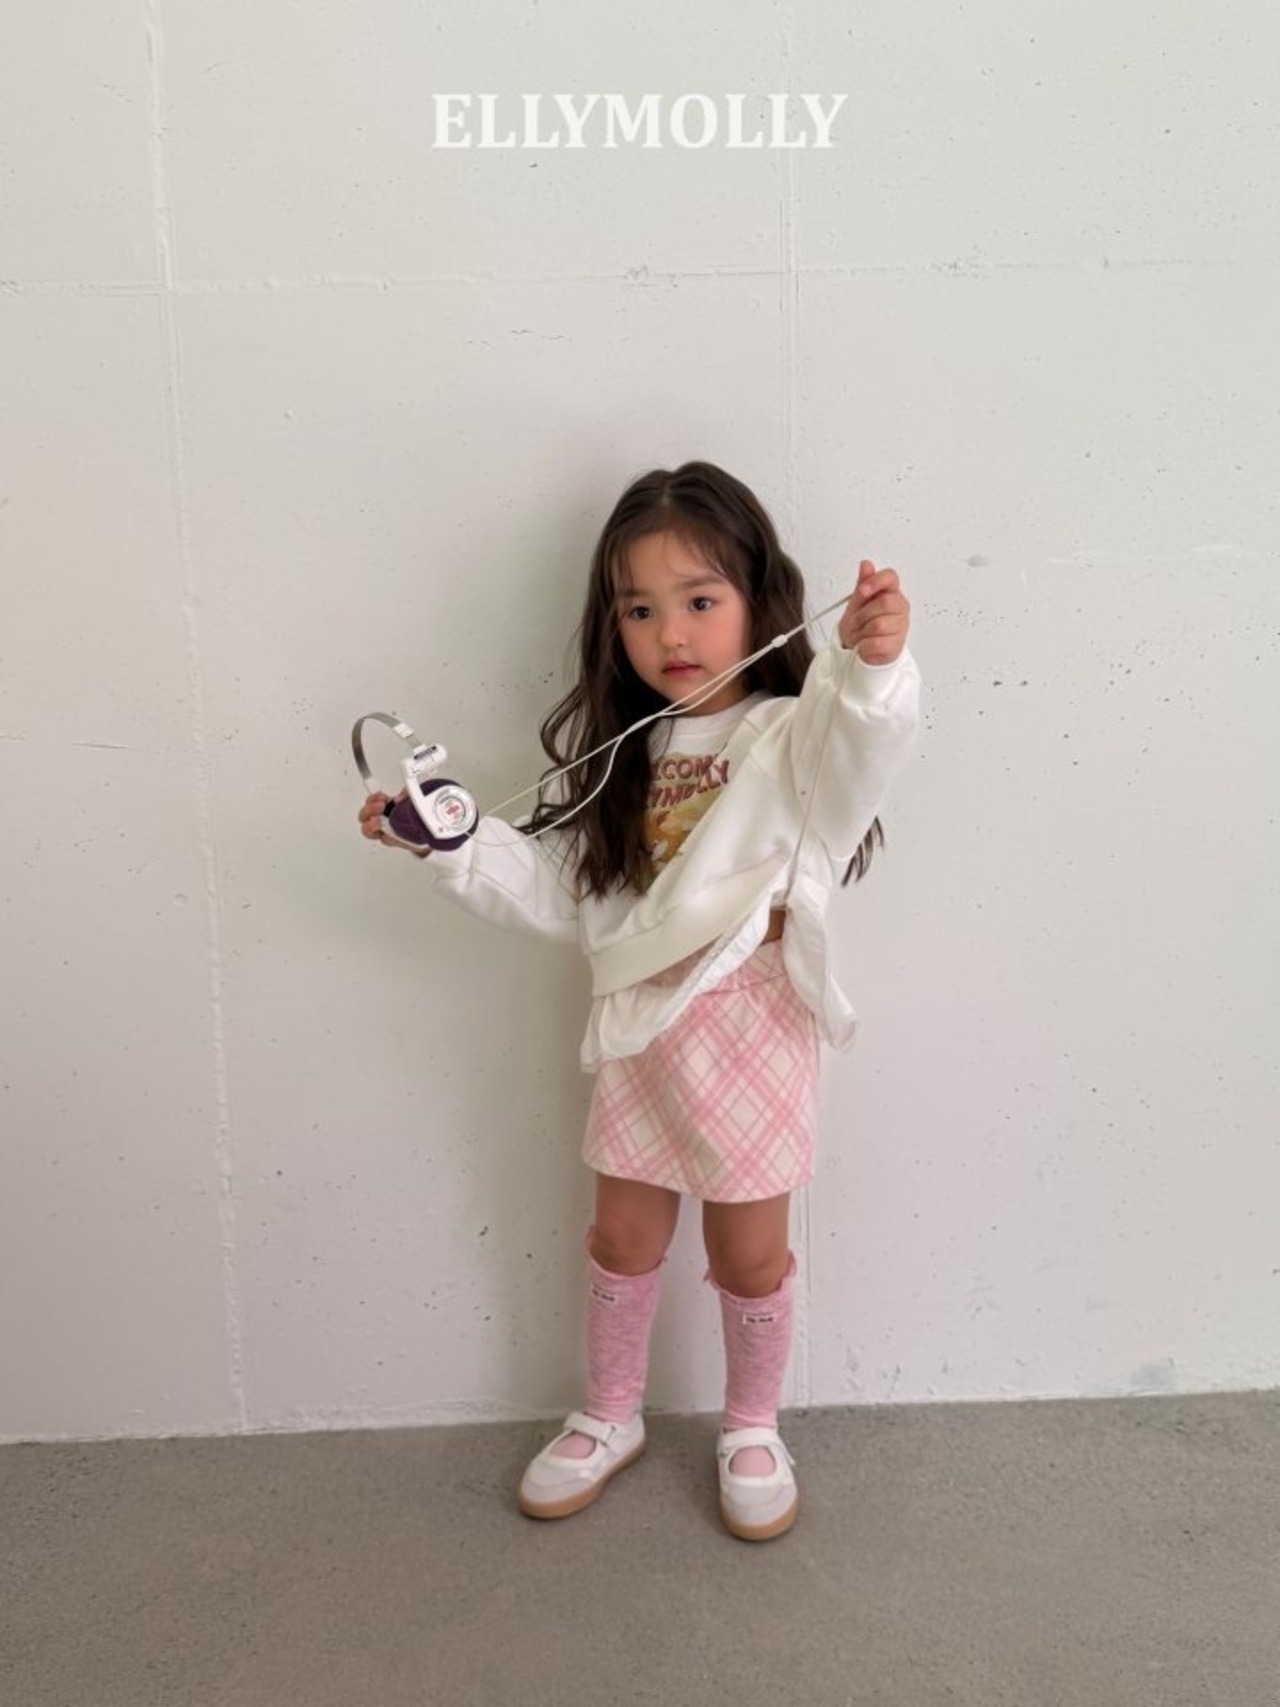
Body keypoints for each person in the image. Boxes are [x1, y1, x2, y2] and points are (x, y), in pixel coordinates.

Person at [358, 460, 919, 1542]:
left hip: (752, 1026)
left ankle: (751, 1424)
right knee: (620, 1235)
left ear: (757, 598)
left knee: (747, 1253)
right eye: (640, 609)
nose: (672, 633)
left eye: (700, 600)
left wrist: (872, 667)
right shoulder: (631, 756)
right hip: (639, 1031)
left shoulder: (791, 733)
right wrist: (452, 841)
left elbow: (861, 743)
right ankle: (610, 1412)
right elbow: (566, 892)